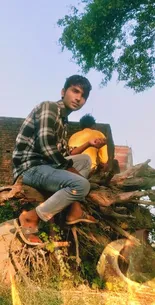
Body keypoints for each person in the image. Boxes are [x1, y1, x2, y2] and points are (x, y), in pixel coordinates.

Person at [12, 75, 103, 245]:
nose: (78, 98)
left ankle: (71, 209)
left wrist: (89, 144)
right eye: (75, 91)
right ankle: (31, 218)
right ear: (63, 92)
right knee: (82, 185)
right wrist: (70, 171)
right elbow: (46, 145)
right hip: (31, 168)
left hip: (46, 166)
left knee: (84, 160)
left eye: (83, 96)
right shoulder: (50, 107)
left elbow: (65, 152)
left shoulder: (63, 121)